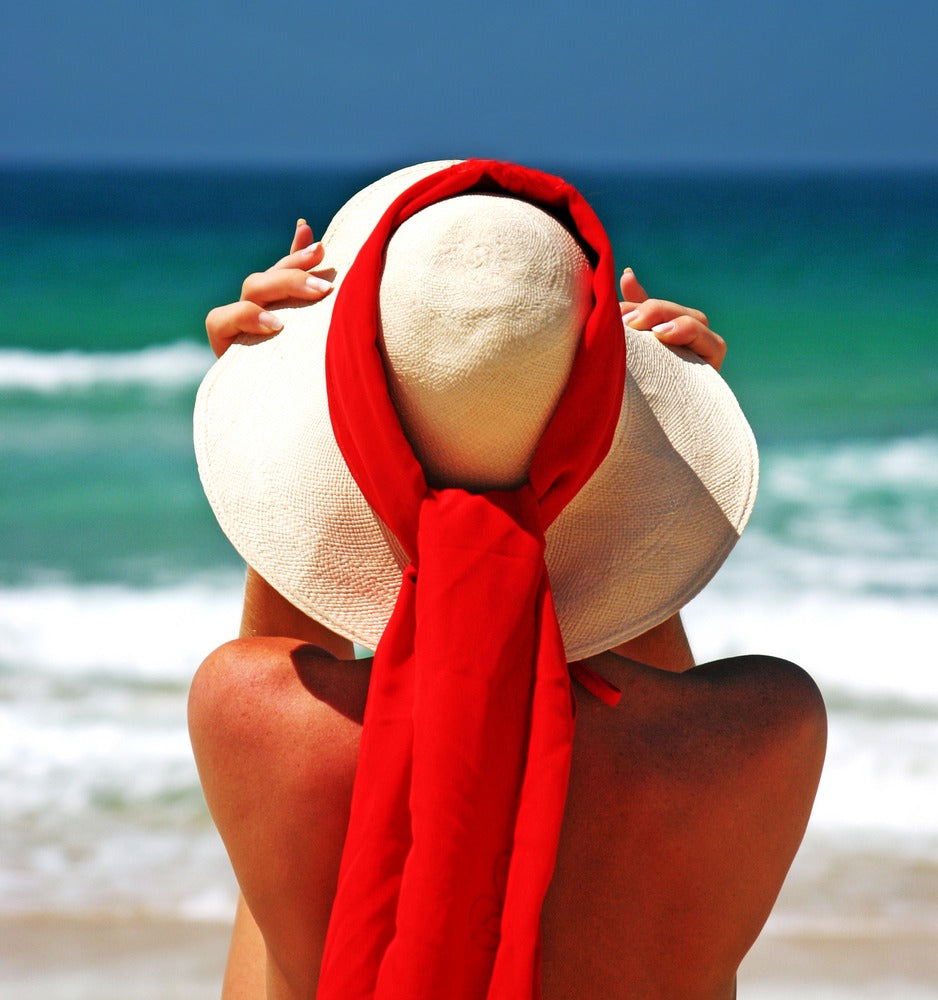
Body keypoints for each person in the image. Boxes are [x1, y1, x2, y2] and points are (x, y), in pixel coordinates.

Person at [189, 160, 826, 1000]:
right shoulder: (762, 735)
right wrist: (654, 452)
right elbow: (640, 668)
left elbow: (289, 650)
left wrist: (265, 418)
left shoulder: (250, 718)